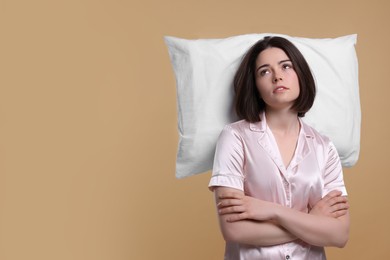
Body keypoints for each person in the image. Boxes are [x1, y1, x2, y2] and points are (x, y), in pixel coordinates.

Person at [208, 36, 350, 260]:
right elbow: (233, 230)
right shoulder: (235, 137)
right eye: (264, 71)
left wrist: (273, 211)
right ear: (255, 85)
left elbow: (339, 234)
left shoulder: (324, 147)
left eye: (286, 66)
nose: (277, 76)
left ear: (300, 74)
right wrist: (311, 221)